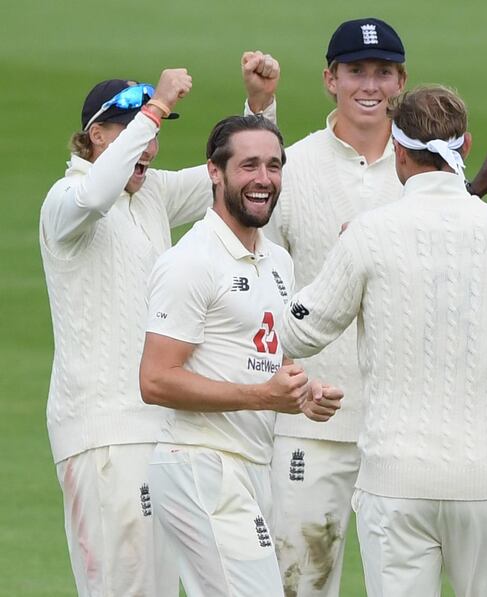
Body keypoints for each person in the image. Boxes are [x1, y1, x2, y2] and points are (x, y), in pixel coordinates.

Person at [280, 84, 487, 596]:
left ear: (398, 151)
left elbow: (298, 332)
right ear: (465, 147)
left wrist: (338, 257)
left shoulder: (369, 232)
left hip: (397, 483)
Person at [39, 57, 278, 597]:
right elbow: (96, 194)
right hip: (102, 434)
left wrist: (258, 109)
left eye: (152, 133)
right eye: (130, 130)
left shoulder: (149, 195)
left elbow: (235, 178)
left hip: (164, 433)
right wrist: (160, 105)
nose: (148, 143)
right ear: (95, 136)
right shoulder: (66, 201)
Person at [139, 115, 344, 596]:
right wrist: (262, 396)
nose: (264, 179)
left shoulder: (277, 261)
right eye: (248, 165)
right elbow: (155, 380)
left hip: (249, 464)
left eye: (274, 166)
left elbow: (265, 356)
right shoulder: (191, 262)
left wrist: (302, 390)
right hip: (198, 463)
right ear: (215, 171)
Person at [248, 17, 408, 597]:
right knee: (299, 585)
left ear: (402, 81)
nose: (370, 85)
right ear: (329, 79)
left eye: (383, 72)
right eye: (356, 71)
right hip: (309, 420)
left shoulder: (426, 171)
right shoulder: (295, 166)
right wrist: (288, 381)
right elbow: (264, 284)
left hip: (401, 424)